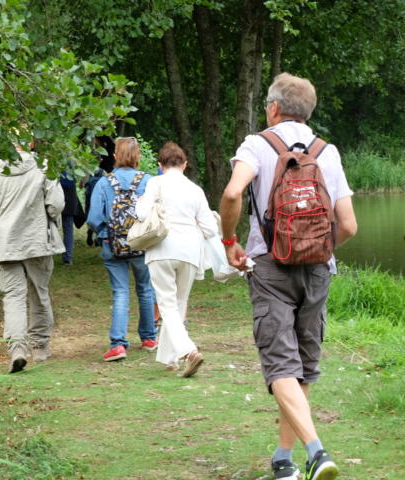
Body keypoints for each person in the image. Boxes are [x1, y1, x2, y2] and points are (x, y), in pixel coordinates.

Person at [219, 73, 357, 480]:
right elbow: (347, 225)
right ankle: (284, 461)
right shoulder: (326, 152)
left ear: (274, 108)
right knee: (302, 368)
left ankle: (315, 451)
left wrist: (230, 241)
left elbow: (231, 194)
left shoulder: (257, 144)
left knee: (280, 366)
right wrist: (316, 248)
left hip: (270, 268)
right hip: (318, 271)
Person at [0, 138, 65, 373]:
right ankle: (40, 346)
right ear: (31, 143)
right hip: (37, 240)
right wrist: (48, 217)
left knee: (13, 297)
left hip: (7, 242)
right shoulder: (43, 166)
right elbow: (56, 203)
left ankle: (17, 349)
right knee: (39, 292)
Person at [136, 141, 217, 376]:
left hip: (161, 248)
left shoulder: (155, 183)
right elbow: (210, 229)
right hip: (190, 251)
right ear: (185, 164)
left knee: (167, 305)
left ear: (160, 165)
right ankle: (170, 359)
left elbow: (141, 214)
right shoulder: (195, 190)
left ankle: (188, 351)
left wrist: (141, 203)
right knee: (178, 304)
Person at [87, 137, 158, 361]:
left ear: (116, 156)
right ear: (138, 156)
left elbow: (94, 218)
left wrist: (105, 235)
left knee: (120, 292)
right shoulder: (148, 181)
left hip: (112, 245)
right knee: (145, 289)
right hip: (142, 244)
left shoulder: (104, 183)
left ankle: (118, 344)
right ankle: (149, 338)